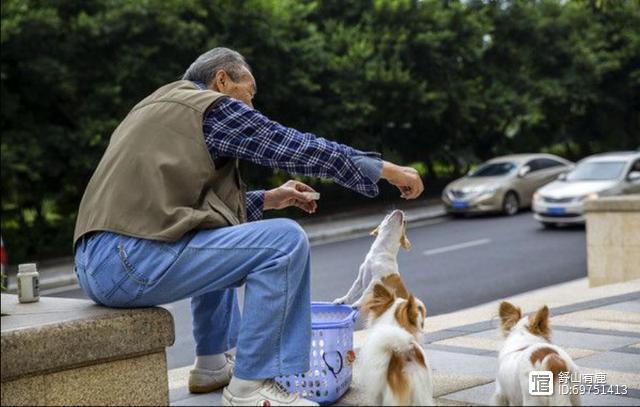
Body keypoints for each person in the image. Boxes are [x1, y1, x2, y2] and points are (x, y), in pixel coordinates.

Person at [73, 47, 423, 406]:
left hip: (99, 261)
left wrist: (271, 198)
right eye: (249, 92)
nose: (250, 106)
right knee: (285, 241)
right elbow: (298, 147)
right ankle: (251, 386)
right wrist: (388, 171)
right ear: (221, 80)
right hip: (129, 258)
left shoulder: (152, 106)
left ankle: (211, 363)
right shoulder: (211, 106)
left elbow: (177, 209)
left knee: (219, 231)